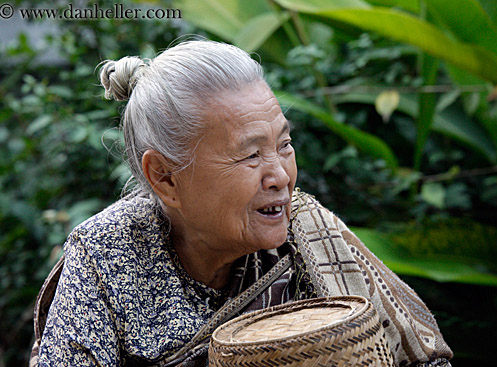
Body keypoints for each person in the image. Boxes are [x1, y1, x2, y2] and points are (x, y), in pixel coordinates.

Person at [31, 40, 453, 367]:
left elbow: (425, 357)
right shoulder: (108, 255)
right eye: (250, 155)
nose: (282, 176)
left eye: (284, 144)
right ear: (165, 177)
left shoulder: (309, 230)